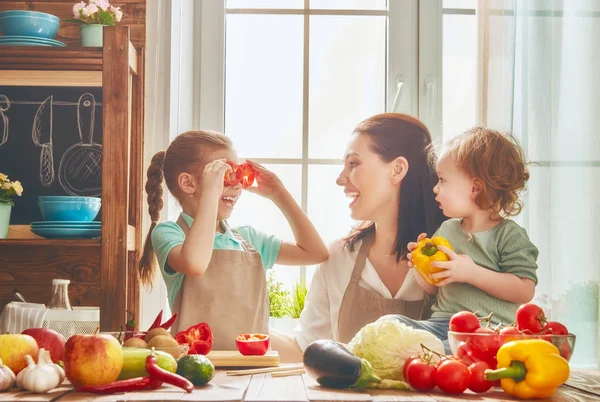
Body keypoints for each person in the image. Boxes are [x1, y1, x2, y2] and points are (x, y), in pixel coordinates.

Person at [272, 113, 445, 362]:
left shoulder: (451, 257)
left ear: (397, 170)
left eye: (353, 164)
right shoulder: (338, 257)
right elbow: (306, 350)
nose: (340, 179)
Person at [138, 130, 328, 350]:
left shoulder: (248, 240)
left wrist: (279, 193)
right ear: (188, 184)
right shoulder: (169, 233)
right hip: (198, 365)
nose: (237, 185)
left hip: (252, 364)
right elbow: (195, 264)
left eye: (239, 174)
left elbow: (315, 252)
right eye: (225, 176)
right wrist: (211, 191)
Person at [396, 127, 539, 348]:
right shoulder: (447, 229)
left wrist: (471, 273)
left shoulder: (508, 234)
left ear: (475, 188)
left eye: (442, 180)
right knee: (392, 324)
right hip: (443, 324)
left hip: (489, 332)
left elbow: (524, 290)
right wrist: (420, 266)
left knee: (438, 349)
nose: (435, 188)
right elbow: (433, 288)